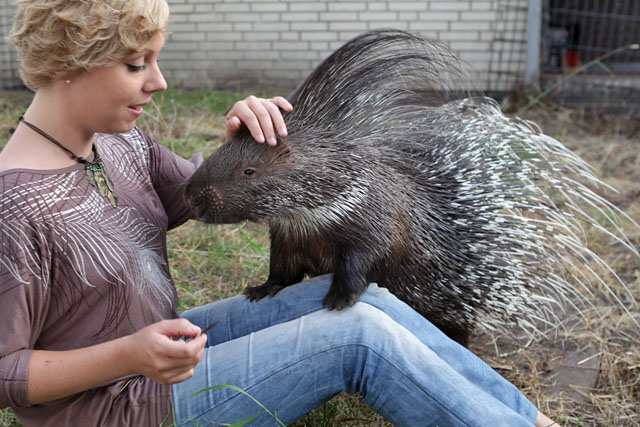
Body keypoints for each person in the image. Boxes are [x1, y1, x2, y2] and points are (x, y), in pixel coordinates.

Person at [0, 1, 558, 426]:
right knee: (356, 336)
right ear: (72, 64)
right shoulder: (14, 206)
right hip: (124, 407)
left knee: (372, 301)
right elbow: (7, 374)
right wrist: (129, 354)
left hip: (164, 351)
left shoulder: (117, 143)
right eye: (135, 64)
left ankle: (529, 419)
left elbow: (191, 197)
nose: (159, 82)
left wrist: (240, 142)